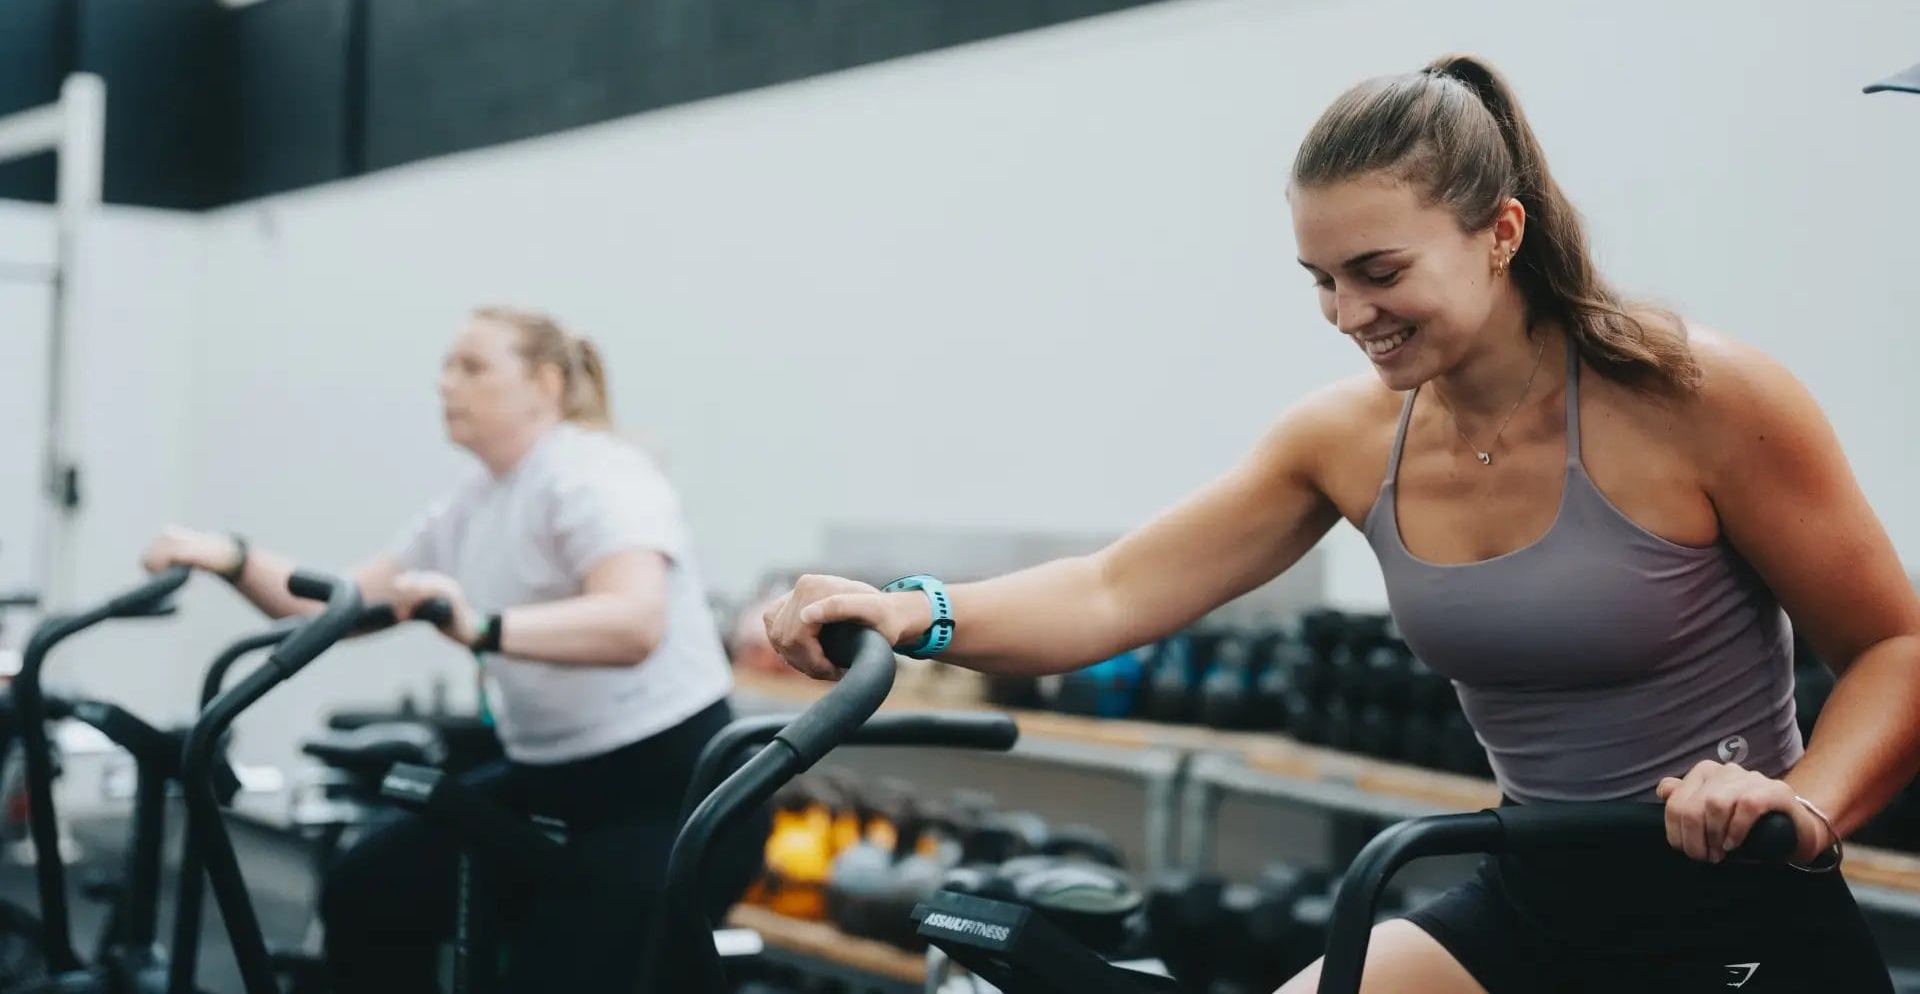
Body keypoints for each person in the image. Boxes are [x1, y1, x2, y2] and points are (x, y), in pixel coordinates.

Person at [762, 55, 1919, 992]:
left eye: (1378, 270)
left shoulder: (1700, 397)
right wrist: (911, 609)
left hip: (1735, 907)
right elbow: (1115, 589)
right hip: (1534, 892)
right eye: (1320, 278)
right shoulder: (1349, 438)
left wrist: (1803, 802)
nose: (1347, 312)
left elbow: (1894, 648)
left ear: (1502, 233)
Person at [143, 307, 761, 993]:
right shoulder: (474, 504)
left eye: (471, 367)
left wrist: (486, 629)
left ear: (546, 384)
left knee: (554, 975)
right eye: (446, 367)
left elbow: (634, 623)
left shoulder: (597, 472)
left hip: (671, 794)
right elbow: (335, 607)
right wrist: (231, 558)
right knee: (367, 891)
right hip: (553, 779)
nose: (445, 384)